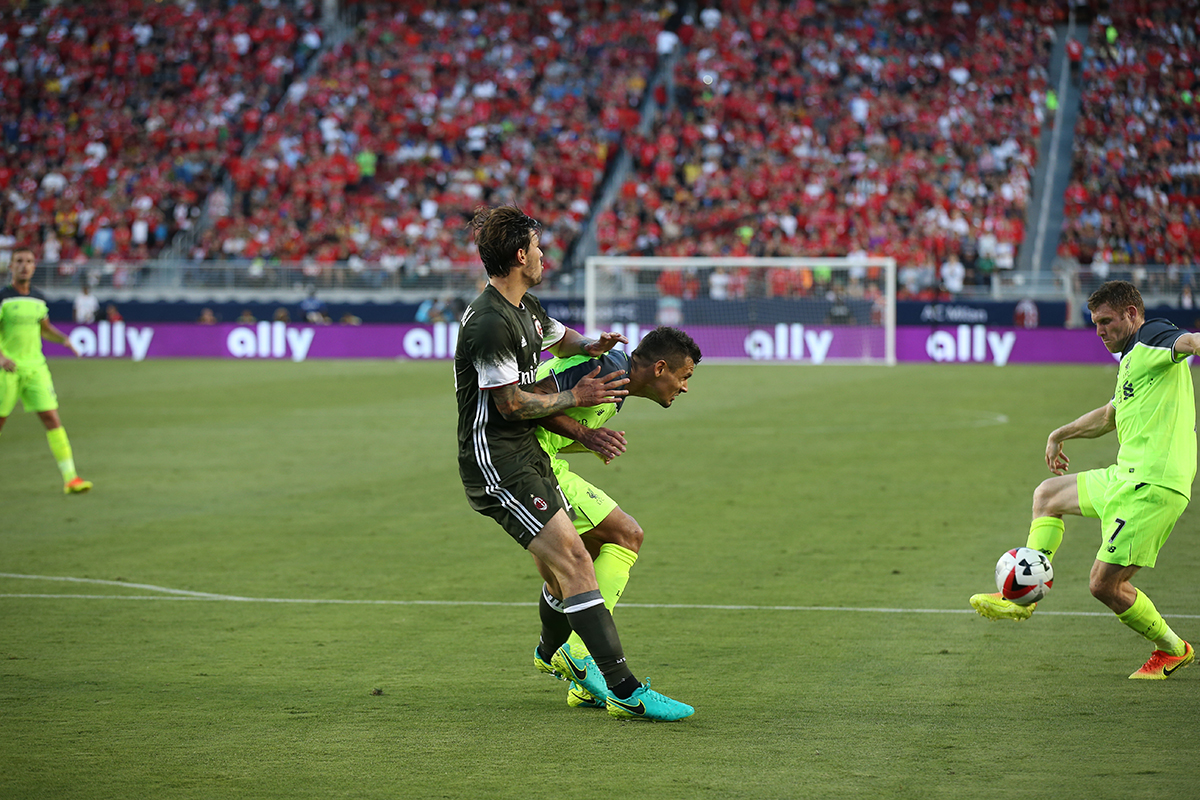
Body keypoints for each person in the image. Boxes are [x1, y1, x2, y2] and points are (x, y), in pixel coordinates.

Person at [454, 205, 693, 721]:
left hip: (527, 456)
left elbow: (567, 341)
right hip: (498, 461)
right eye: (538, 247)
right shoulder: (492, 323)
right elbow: (512, 405)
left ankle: (563, 658)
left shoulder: (526, 309)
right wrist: (578, 404)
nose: (543, 255)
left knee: (575, 562)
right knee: (579, 562)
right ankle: (621, 688)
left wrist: (595, 346)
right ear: (520, 255)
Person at [970, 281, 1196, 679]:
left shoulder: (1151, 337)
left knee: (1104, 585)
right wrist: (1060, 434)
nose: (1099, 331)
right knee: (1047, 494)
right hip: (1125, 475)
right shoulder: (1131, 360)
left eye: (1106, 321)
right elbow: (1110, 415)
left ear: (1131, 313)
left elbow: (1190, 342)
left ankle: (1173, 649)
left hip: (1153, 486)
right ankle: (1026, 595)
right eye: (1094, 323)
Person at [529, 326, 702, 709]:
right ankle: (577, 654)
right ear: (660, 368)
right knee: (626, 535)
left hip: (543, 461)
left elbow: (554, 417)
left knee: (574, 567)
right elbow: (528, 402)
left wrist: (587, 440)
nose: (685, 387)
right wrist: (587, 436)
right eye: (684, 376)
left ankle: (569, 669)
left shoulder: (616, 382)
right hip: (529, 467)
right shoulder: (607, 369)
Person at [0, 248, 92, 494]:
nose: (24, 266)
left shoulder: (39, 298)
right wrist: (0, 357)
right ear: (11, 266)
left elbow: (45, 328)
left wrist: (64, 340)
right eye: (19, 261)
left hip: (35, 368)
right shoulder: (3, 298)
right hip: (7, 370)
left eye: (29, 261)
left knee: (52, 418)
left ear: (34, 266)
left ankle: (70, 478)